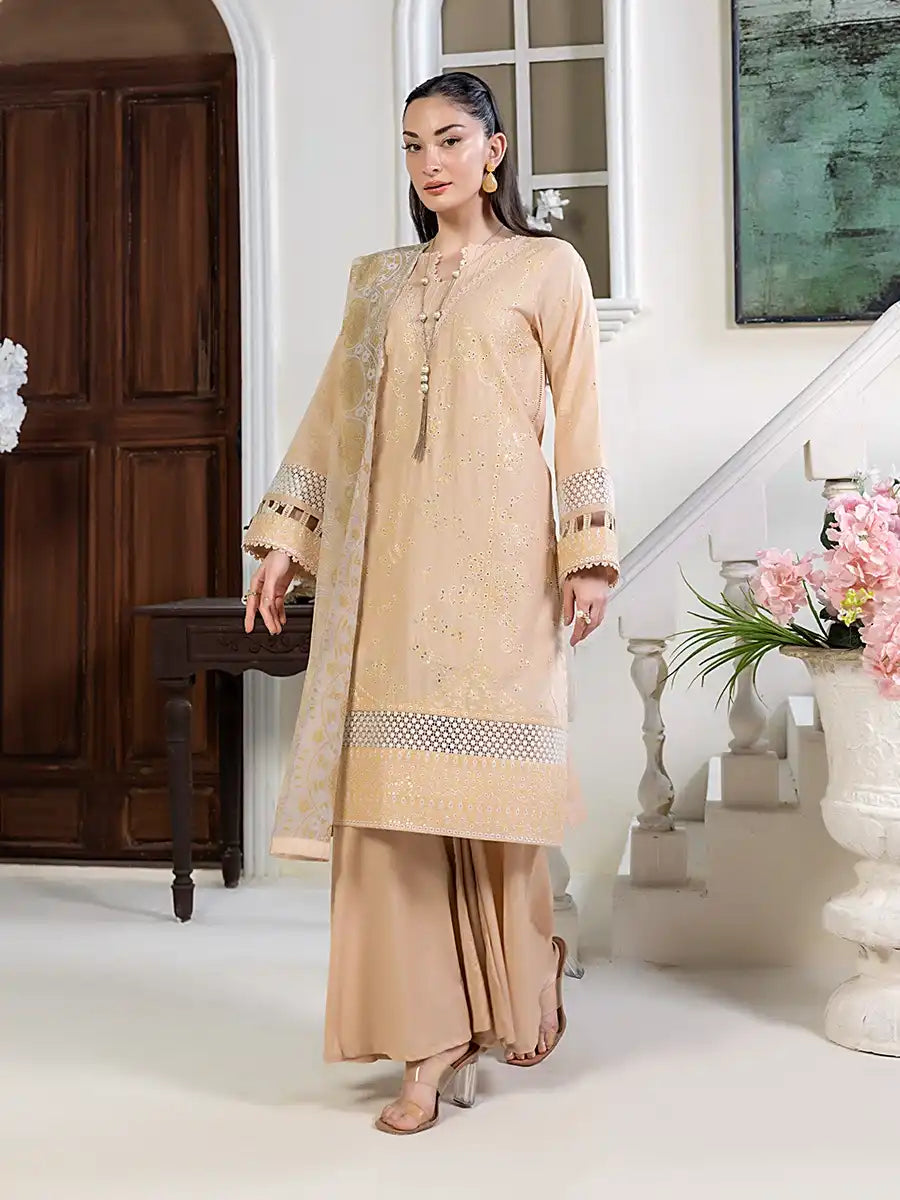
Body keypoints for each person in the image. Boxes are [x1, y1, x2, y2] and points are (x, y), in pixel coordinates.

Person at [241, 71, 619, 1135]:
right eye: (412, 146)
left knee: (489, 800)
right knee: (393, 813)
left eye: (450, 140)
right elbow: (329, 418)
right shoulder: (380, 284)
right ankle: (426, 1042)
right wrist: (286, 540)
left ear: (493, 150)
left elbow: (580, 415)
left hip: (503, 567)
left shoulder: (546, 267)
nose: (430, 162)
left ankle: (520, 972)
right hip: (390, 571)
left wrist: (587, 551)